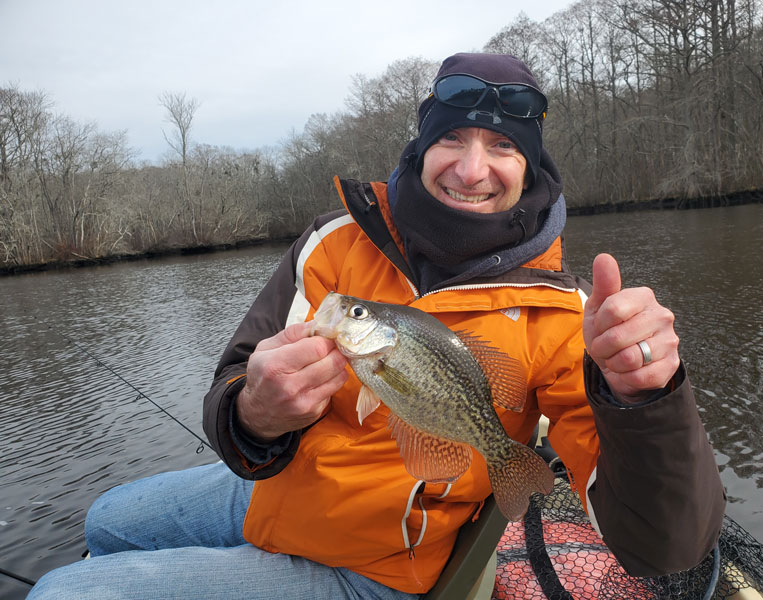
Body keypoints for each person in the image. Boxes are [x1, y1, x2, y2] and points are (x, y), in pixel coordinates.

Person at [28, 52, 725, 599]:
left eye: (503, 148)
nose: (472, 168)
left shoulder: (563, 314)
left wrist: (646, 400)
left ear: (530, 169)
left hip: (376, 566)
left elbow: (663, 546)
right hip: (286, 490)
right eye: (452, 137)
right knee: (106, 517)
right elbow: (236, 387)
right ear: (421, 146)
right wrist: (253, 411)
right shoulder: (336, 239)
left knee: (62, 590)